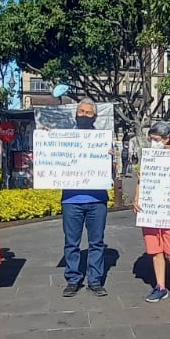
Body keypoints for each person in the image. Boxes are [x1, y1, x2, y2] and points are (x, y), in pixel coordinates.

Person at [133, 121, 170, 307]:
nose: (154, 143)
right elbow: (142, 181)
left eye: (157, 140)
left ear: (167, 138)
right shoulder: (149, 158)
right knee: (156, 252)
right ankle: (160, 286)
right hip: (151, 211)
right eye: (152, 139)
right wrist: (136, 198)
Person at [61, 98, 111, 297]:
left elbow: (111, 170)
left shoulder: (102, 140)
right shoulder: (64, 138)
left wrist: (110, 156)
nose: (83, 115)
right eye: (80, 112)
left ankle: (95, 280)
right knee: (71, 243)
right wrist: (46, 139)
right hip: (71, 199)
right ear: (76, 113)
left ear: (95, 116)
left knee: (96, 242)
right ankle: (73, 279)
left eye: (88, 113)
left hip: (97, 199)